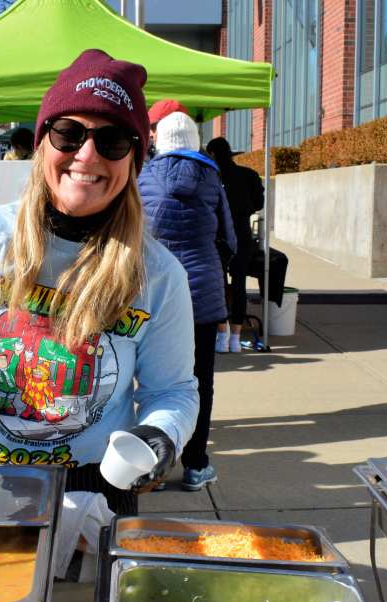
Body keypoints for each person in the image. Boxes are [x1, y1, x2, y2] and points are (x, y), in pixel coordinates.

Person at [0, 49, 198, 516]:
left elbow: (172, 391)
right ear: (43, 142)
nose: (86, 154)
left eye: (111, 141)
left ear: (133, 159)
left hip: (98, 485)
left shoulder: (159, 273)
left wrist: (161, 435)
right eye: (69, 133)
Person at [139, 112, 236, 492]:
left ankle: (154, 465)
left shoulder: (143, 176)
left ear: (158, 139)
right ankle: (196, 465)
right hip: (202, 294)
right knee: (200, 383)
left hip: (152, 293)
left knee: (150, 381)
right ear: (195, 140)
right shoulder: (212, 177)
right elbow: (229, 237)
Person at [206, 137, 265, 352]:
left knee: (219, 285)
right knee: (239, 284)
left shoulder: (210, 177)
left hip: (218, 235)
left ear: (211, 154)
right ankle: (236, 338)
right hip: (242, 234)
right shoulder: (249, 175)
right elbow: (258, 203)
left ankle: (222, 337)